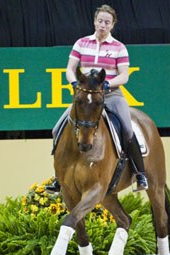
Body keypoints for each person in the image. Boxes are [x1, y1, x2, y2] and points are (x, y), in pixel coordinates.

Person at [48, 4, 148, 192]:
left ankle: (139, 173)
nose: (103, 25)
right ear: (95, 22)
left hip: (111, 95)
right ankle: (58, 177)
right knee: (56, 130)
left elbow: (124, 75)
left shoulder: (119, 47)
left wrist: (108, 83)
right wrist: (74, 83)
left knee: (127, 129)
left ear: (112, 25)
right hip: (86, 97)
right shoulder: (81, 43)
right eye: (100, 21)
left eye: (107, 22)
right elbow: (70, 69)